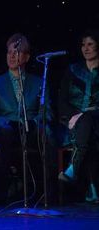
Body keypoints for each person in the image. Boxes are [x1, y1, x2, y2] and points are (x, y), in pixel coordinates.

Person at [0, 33, 57, 203]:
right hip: (8, 128)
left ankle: (47, 192)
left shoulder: (39, 82)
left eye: (16, 53)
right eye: (9, 52)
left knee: (47, 133)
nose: (11, 56)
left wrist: (35, 122)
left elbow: (47, 111)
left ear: (27, 57)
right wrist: (6, 123)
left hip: (31, 126)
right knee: (5, 132)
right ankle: (6, 188)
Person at [58, 29, 99, 203]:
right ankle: (93, 190)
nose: (86, 48)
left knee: (89, 119)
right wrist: (75, 115)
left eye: (90, 44)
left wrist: (84, 115)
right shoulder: (73, 70)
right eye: (83, 44)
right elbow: (61, 101)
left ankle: (74, 168)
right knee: (87, 128)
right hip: (72, 122)